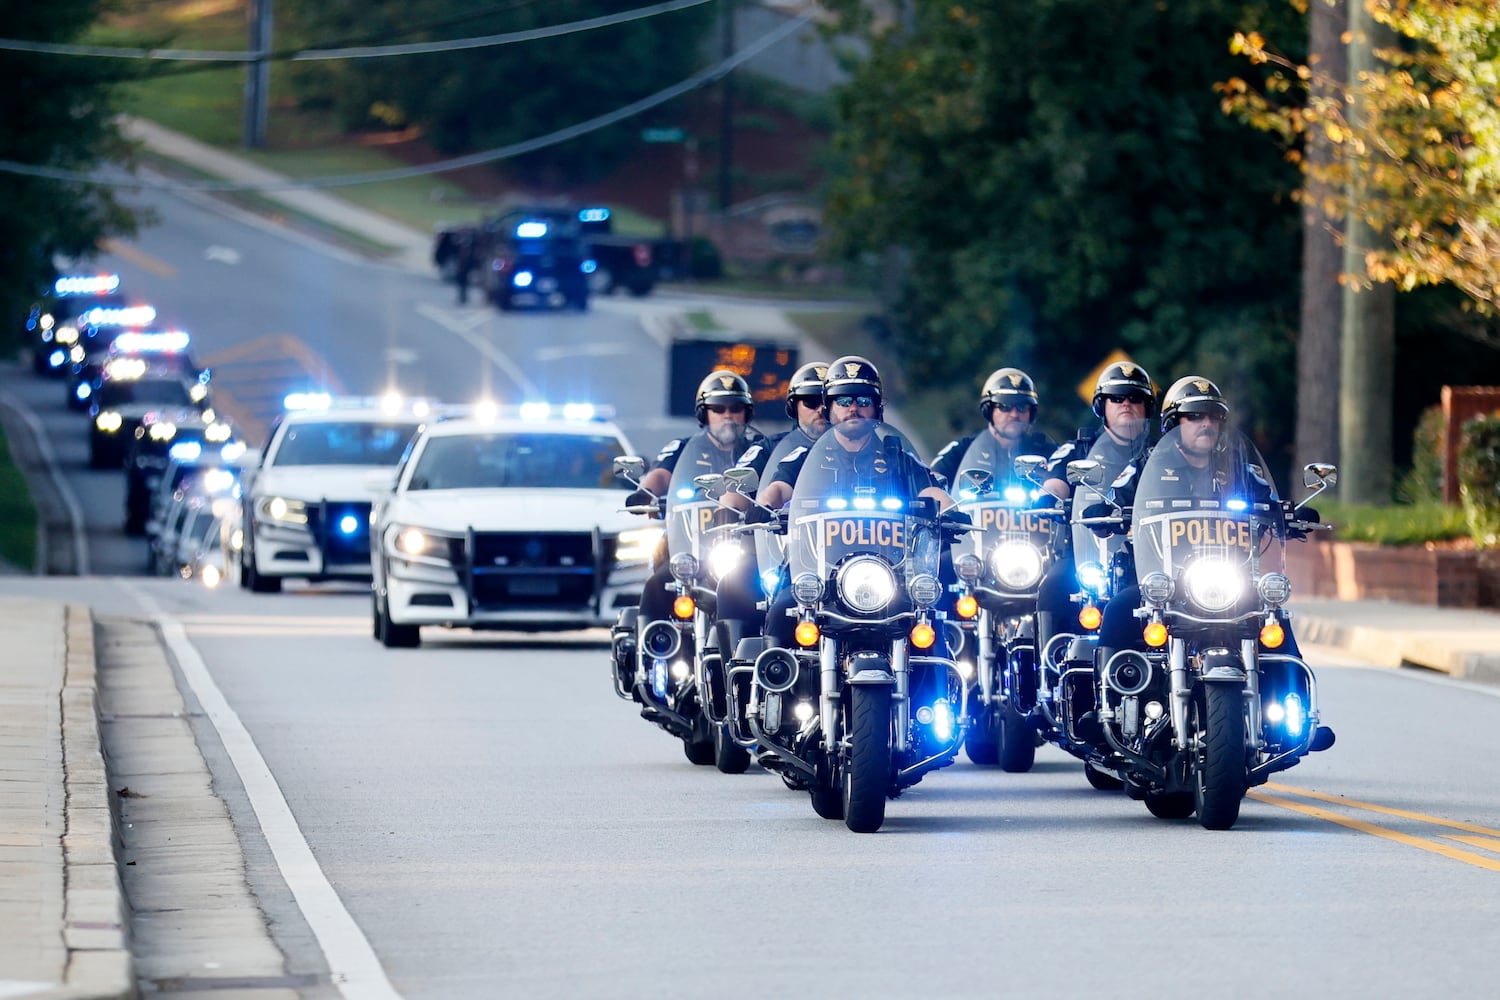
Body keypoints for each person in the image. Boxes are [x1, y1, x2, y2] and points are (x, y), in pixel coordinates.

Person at [1094, 375, 1310, 659]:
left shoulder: (1239, 468)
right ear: (1174, 424)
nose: (1206, 424)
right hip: (1164, 581)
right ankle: (1109, 693)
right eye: (1194, 417)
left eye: (1213, 416)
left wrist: (1288, 515)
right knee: (1119, 609)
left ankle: (1294, 696)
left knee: (1273, 614)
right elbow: (1115, 497)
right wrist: (1104, 511)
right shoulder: (1148, 464)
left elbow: (1268, 503)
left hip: (1229, 578)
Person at [756, 356, 958, 647]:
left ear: (877, 408)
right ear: (829, 408)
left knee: (929, 617)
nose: (853, 408)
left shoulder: (897, 454)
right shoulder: (806, 457)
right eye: (843, 400)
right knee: (780, 610)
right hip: (818, 571)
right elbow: (777, 489)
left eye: (863, 400)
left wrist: (953, 510)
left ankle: (942, 687)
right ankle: (775, 683)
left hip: (890, 572)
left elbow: (927, 490)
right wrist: (762, 508)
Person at [1034, 361, 1157, 651]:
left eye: (1135, 398)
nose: (1126, 404)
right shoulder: (1079, 448)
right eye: (1117, 398)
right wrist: (1051, 496)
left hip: (1145, 557)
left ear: (1146, 407)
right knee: (1054, 584)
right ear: (1102, 406)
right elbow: (1055, 481)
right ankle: (1048, 668)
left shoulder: (1159, 454)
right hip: (1085, 553)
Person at [627, 370, 765, 625]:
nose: (727, 416)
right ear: (705, 413)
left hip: (743, 548)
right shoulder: (683, 447)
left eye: (736, 408)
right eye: (718, 408)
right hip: (689, 546)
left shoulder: (760, 448)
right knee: (659, 583)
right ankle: (649, 650)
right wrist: (645, 493)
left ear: (747, 413)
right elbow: (660, 475)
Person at [714, 361, 831, 649]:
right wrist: (735, 508)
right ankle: (738, 677)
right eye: (811, 401)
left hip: (854, 557)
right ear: (794, 407)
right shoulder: (772, 448)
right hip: (782, 553)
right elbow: (734, 493)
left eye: (829, 402)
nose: (821, 410)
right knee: (734, 582)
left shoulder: (876, 451)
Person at [929, 367, 1055, 492]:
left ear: (1031, 413)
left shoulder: (1047, 451)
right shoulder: (962, 450)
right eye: (1005, 406)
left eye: (1022, 407)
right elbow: (930, 481)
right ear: (988, 410)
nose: (1014, 414)